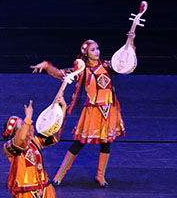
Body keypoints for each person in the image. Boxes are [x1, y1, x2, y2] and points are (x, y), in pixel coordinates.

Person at [30, 33, 135, 188]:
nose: (97, 52)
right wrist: (46, 66)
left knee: (106, 143)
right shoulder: (82, 70)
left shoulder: (107, 65)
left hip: (109, 109)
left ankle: (101, 176)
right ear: (86, 53)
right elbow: (61, 74)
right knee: (79, 143)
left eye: (97, 48)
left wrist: (130, 41)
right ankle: (59, 175)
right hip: (93, 111)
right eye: (93, 50)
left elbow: (125, 62)